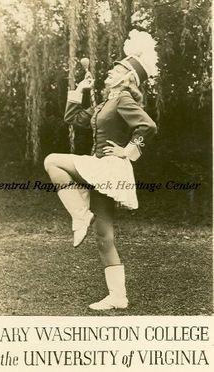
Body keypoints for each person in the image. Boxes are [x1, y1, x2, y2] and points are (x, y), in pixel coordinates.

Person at [44, 54, 157, 310]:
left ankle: (81, 214)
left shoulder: (123, 98)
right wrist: (80, 90)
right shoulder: (106, 102)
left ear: (127, 77)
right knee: (103, 236)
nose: (109, 71)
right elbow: (72, 119)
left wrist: (127, 151)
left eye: (116, 69)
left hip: (109, 168)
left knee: (52, 161)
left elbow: (148, 126)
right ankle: (118, 296)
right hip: (100, 169)